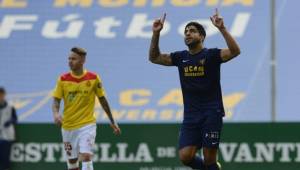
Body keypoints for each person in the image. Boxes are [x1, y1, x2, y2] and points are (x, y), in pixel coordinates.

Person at [149, 9, 241, 170]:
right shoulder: (180, 57)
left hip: (212, 112)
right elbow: (154, 58)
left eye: (192, 31)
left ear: (202, 37)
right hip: (191, 115)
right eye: (186, 31)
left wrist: (222, 28)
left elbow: (235, 51)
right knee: (185, 156)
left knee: (209, 159)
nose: (188, 34)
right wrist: (156, 33)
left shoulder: (212, 55)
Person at [52, 47, 121, 170]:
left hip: (87, 125)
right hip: (68, 126)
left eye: (74, 59)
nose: (70, 61)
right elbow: (56, 100)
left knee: (86, 156)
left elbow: (102, 99)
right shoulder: (63, 79)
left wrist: (112, 121)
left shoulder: (93, 78)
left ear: (82, 60)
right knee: (72, 163)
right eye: (69, 58)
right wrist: (56, 114)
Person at [0, 87, 17, 170]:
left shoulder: (10, 107)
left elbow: (15, 119)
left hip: (6, 137)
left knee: (5, 157)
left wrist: (10, 121)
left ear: (4, 95)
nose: (0, 96)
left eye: (1, 94)